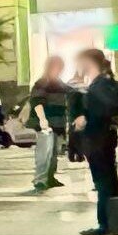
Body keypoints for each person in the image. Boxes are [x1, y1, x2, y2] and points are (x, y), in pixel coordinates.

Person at [72, 48, 118, 235]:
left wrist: (86, 118)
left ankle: (106, 223)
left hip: (98, 139)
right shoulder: (102, 83)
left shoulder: (101, 85)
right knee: (107, 181)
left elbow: (109, 108)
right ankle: (112, 220)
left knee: (103, 181)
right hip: (102, 139)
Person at [25, 56, 72, 193]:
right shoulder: (42, 83)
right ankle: (40, 180)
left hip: (57, 123)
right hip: (46, 124)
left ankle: (50, 178)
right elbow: (37, 101)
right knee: (44, 153)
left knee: (53, 154)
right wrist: (42, 119)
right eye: (58, 67)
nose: (60, 70)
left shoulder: (59, 83)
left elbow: (71, 92)